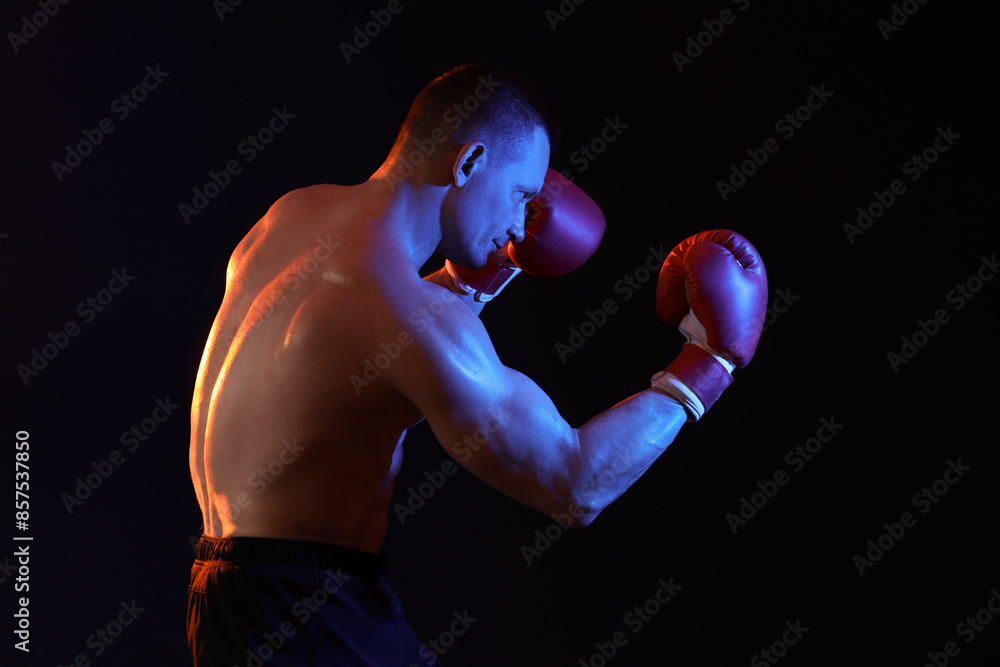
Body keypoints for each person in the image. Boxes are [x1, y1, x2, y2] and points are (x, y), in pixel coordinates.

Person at [186, 63, 768, 666]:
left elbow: (364, 345)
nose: (520, 225)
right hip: (307, 617)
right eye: (521, 195)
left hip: (234, 594)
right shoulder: (412, 317)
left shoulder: (293, 216)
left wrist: (471, 283)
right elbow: (575, 485)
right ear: (467, 163)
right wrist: (710, 360)